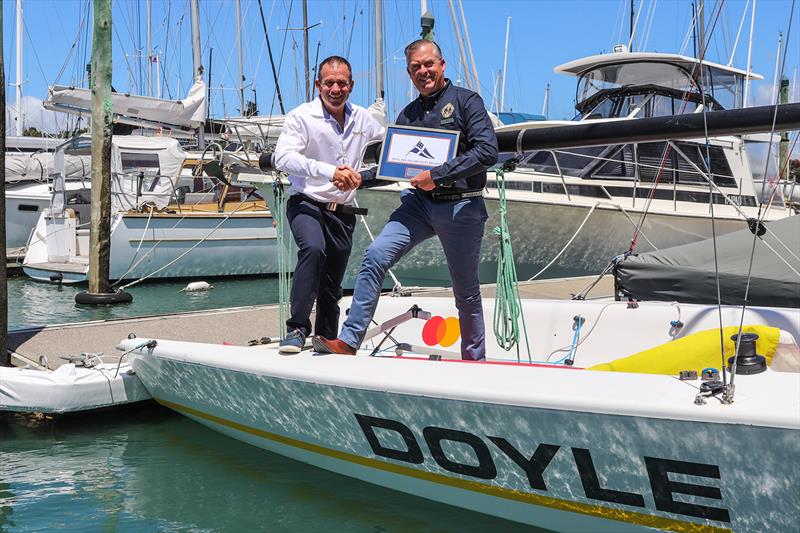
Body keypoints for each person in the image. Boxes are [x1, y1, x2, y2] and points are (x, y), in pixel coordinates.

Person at [313, 40, 498, 360]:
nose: (423, 71)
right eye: (416, 67)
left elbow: (487, 152)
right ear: (409, 72)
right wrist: (358, 178)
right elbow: (394, 167)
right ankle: (349, 340)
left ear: (442, 65)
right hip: (418, 205)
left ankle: (473, 361)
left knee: (465, 292)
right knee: (375, 256)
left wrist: (437, 175)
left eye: (429, 64)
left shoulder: (467, 102)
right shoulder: (408, 115)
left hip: (461, 203)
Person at [273, 55, 384, 353]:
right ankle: (296, 328)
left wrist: (364, 176)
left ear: (351, 85)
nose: (336, 89)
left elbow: (388, 152)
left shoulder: (364, 119)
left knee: (332, 286)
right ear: (318, 84)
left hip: (343, 213)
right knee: (313, 248)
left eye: (342, 83)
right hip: (306, 203)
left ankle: (325, 338)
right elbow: (282, 157)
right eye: (330, 83)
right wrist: (330, 171)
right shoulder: (301, 116)